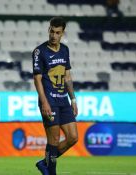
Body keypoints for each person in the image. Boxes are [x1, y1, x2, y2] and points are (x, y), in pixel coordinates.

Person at [32, 17, 78, 175]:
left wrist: (73, 99)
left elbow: (67, 76)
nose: (53, 35)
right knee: (54, 139)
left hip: (63, 100)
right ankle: (50, 172)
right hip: (49, 100)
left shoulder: (65, 50)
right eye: (51, 31)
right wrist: (44, 102)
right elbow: (37, 79)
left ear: (62, 33)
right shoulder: (39, 51)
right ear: (48, 30)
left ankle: (44, 162)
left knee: (73, 137)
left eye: (57, 32)